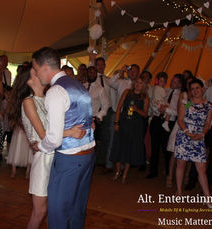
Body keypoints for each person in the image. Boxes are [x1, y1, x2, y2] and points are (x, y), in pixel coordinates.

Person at [32, 47, 95, 229]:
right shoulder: (77, 85)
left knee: (58, 212)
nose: (36, 74)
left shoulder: (56, 91)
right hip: (87, 155)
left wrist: (41, 147)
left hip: (70, 159)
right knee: (77, 209)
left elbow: (53, 138)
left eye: (36, 69)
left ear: (45, 67)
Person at [175, 79, 212, 208]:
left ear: (202, 89)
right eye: (192, 89)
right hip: (185, 135)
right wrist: (187, 132)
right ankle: (179, 193)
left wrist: (202, 134)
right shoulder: (187, 103)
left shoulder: (208, 105)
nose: (195, 91)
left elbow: (208, 123)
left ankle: (208, 198)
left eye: (197, 88)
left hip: (199, 137)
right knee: (181, 164)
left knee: (201, 168)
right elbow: (180, 119)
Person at [110, 76, 149, 183]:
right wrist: (116, 122)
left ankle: (125, 175)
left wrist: (137, 110)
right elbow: (119, 108)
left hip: (135, 126)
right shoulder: (127, 92)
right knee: (119, 147)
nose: (138, 84)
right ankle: (118, 171)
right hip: (123, 122)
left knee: (129, 150)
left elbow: (145, 114)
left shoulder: (145, 97)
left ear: (144, 86)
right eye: (137, 81)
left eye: (141, 83)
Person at [166, 75, 194, 188]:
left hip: (192, 125)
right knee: (175, 152)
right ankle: (170, 176)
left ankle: (186, 175)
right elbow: (180, 109)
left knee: (188, 153)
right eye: (188, 84)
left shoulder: (198, 96)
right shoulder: (183, 94)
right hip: (180, 123)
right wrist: (190, 103)